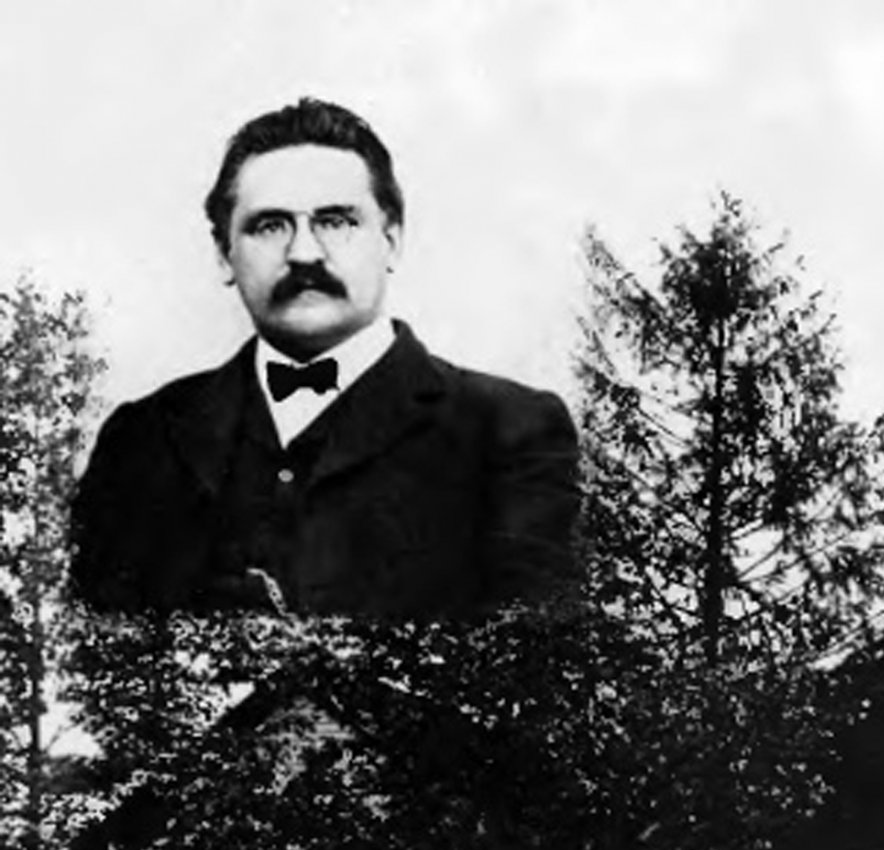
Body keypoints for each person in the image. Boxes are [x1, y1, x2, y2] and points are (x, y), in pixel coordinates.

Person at [69, 97, 581, 618]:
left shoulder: (509, 431)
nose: (304, 254)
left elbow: (531, 667)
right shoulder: (141, 438)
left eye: (336, 221)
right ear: (224, 254)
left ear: (393, 240)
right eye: (269, 226)